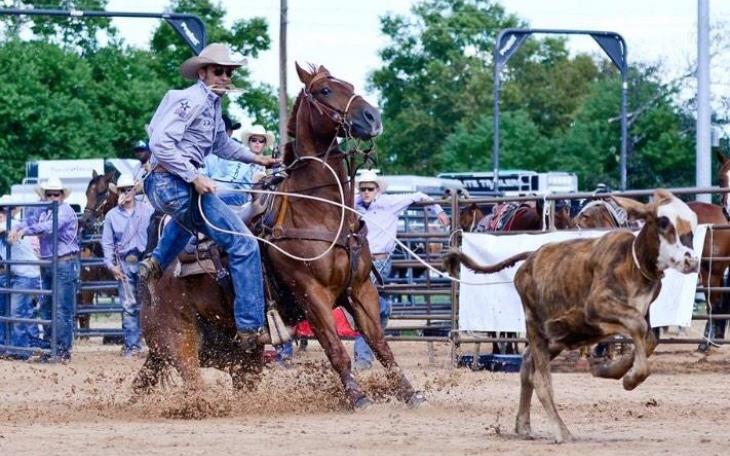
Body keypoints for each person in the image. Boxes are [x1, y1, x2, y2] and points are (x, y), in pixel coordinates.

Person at [138, 42, 279, 350]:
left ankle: (155, 264)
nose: (225, 77)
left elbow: (220, 145)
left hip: (165, 184)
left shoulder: (210, 104)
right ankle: (251, 327)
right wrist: (194, 176)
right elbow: (160, 143)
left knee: (192, 221)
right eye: (219, 71)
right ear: (202, 73)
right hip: (173, 183)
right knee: (244, 244)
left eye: (228, 72)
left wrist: (259, 160)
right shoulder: (193, 101)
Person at [352, 170, 450, 370]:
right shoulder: (354, 202)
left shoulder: (390, 202)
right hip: (360, 261)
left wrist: (438, 211)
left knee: (371, 307)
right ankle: (364, 355)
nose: (366, 192)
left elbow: (420, 196)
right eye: (363, 189)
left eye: (370, 188)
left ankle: (366, 352)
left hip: (380, 262)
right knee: (370, 306)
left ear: (378, 190)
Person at [9, 177, 80, 361]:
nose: (52, 197)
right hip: (49, 263)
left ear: (62, 195)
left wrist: (24, 231)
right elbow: (28, 220)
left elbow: (49, 227)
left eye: (56, 194)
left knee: (61, 308)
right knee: (47, 308)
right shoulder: (44, 210)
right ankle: (51, 347)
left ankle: (62, 350)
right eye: (49, 194)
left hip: (64, 262)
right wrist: (16, 227)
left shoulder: (65, 211)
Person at [101, 174, 155, 357]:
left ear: (135, 190)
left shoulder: (148, 209)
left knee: (152, 303)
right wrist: (111, 265)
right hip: (125, 262)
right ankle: (133, 346)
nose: (127, 192)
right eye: (123, 189)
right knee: (129, 305)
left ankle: (154, 346)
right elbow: (107, 243)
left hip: (146, 260)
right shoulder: (111, 216)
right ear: (118, 192)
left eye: (130, 189)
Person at [0, 207, 42, 360]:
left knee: (16, 312)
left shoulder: (13, 225)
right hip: (15, 274)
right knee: (10, 311)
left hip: (25, 275)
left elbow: (5, 228)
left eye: (2, 212)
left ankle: (21, 350)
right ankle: (7, 346)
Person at [205, 124, 274, 206]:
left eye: (261, 141)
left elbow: (272, 180)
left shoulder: (268, 165)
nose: (257, 143)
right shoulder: (237, 157)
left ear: (264, 144)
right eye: (254, 140)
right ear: (249, 142)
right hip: (228, 192)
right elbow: (219, 175)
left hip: (248, 198)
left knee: (209, 200)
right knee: (207, 197)